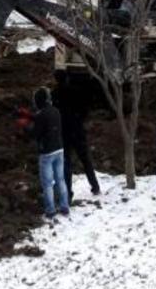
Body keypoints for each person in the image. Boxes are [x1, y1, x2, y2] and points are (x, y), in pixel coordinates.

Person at [51, 70, 100, 202]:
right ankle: (95, 185)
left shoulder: (54, 94)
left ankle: (68, 193)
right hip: (77, 129)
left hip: (63, 132)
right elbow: (85, 108)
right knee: (85, 159)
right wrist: (79, 119)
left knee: (66, 163)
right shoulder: (76, 92)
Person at [22, 87, 70, 218]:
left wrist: (25, 125)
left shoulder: (41, 115)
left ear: (39, 101)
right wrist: (29, 116)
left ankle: (50, 210)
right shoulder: (55, 111)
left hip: (47, 153)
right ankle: (64, 206)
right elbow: (43, 120)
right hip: (59, 149)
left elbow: (35, 134)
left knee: (47, 183)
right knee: (60, 179)